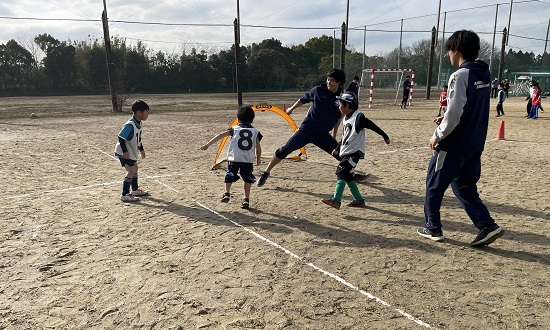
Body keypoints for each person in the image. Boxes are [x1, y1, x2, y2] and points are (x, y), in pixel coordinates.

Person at [417, 30, 505, 246]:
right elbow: (466, 109)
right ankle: (487, 226)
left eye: (449, 51)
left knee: (433, 186)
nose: (449, 56)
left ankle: (433, 227)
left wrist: (437, 135)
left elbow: (455, 112)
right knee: (464, 187)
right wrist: (445, 117)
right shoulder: (484, 73)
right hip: (475, 143)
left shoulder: (459, 75)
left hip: (454, 144)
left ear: (455, 51)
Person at [257, 68, 345, 187]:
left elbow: (340, 116)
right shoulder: (318, 90)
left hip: (323, 134)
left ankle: (352, 174)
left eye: (332, 80)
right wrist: (290, 109)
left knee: (342, 155)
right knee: (284, 150)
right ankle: (266, 173)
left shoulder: (342, 96)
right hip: (307, 130)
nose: (329, 82)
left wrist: (335, 133)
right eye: (328, 79)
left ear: (339, 82)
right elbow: (303, 100)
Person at [321, 93, 390, 209]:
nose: (338, 106)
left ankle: (336, 200)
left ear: (347, 105)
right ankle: (359, 200)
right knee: (348, 176)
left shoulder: (358, 117)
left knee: (341, 172)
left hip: (354, 153)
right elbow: (346, 136)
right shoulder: (347, 118)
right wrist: (338, 148)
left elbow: (372, 125)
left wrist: (385, 136)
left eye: (340, 104)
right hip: (347, 151)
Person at [200, 106, 262, 209]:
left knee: (229, 175)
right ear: (252, 119)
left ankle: (227, 193)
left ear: (238, 119)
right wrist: (258, 158)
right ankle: (246, 199)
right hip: (247, 160)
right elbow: (258, 146)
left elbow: (221, 135)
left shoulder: (234, 129)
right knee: (247, 179)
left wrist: (208, 144)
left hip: (234, 158)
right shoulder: (255, 131)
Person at [114, 100, 150, 202]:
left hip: (131, 151)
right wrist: (125, 151)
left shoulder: (138, 123)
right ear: (139, 113)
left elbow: (138, 138)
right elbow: (121, 137)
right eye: (146, 112)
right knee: (131, 171)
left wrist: (141, 149)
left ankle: (134, 189)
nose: (147, 114)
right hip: (124, 152)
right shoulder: (130, 124)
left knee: (135, 168)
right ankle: (124, 194)